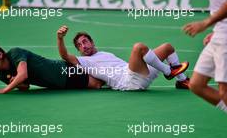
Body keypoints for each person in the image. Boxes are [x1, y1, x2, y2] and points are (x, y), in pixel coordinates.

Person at [56, 25, 189, 91]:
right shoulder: (83, 61)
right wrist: (60, 38)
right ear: (78, 50)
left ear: (92, 42)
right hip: (130, 82)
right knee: (138, 47)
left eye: (85, 41)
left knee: (167, 47)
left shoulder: (105, 54)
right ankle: (168, 71)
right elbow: (64, 55)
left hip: (139, 73)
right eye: (79, 45)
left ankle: (182, 81)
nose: (83, 46)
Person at [0, 43, 102, 94]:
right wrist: (17, 84)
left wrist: (3, 90)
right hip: (58, 84)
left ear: (0, 55)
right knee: (97, 80)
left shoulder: (15, 53)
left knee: (97, 83)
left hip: (62, 71)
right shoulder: (1, 75)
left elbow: (23, 75)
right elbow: (25, 87)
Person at [183, 0, 227, 113]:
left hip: (225, 37)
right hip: (220, 33)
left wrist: (205, 23)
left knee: (224, 91)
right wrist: (215, 31)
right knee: (197, 84)